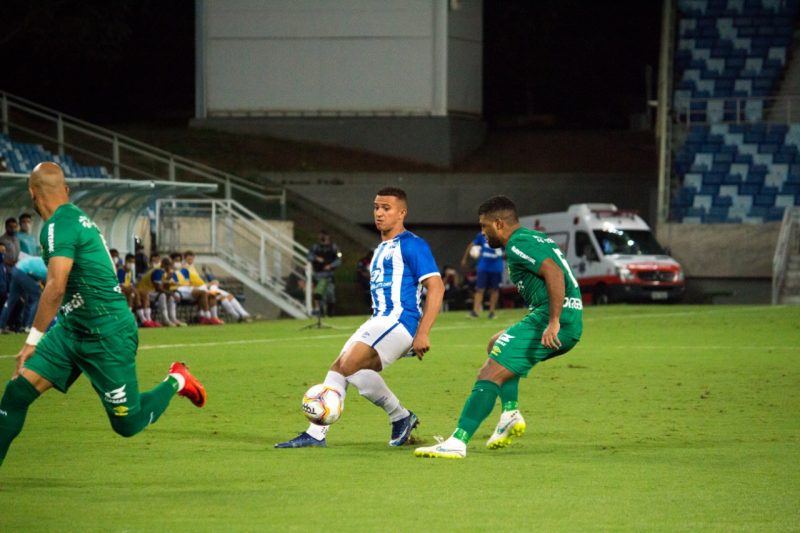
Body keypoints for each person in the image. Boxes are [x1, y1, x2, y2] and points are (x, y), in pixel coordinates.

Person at [0, 162, 206, 468]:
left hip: (107, 333)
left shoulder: (60, 225)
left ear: (31, 192)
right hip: (73, 330)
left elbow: (55, 287)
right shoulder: (73, 219)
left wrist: (32, 341)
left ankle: (177, 379)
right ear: (66, 191)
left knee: (127, 423)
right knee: (16, 394)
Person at [414, 195, 583, 459]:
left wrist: (553, 321)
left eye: (484, 227)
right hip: (557, 315)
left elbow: (554, 273)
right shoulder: (533, 238)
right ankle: (510, 414)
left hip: (554, 318)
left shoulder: (517, 244)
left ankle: (458, 441)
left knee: (489, 373)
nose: (482, 233)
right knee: (496, 343)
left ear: (499, 223)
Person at [276, 187, 445, 449]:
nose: (379, 213)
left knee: (349, 364)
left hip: (400, 321)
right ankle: (317, 434)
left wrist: (423, 333)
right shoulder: (379, 250)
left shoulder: (412, 244)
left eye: (386, 208)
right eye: (376, 207)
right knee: (339, 368)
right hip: (379, 321)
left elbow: (436, 287)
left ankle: (398, 416)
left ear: (402, 212)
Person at [461, 231, 504, 319]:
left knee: (495, 290)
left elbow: (508, 247)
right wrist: (465, 258)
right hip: (483, 266)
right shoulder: (482, 235)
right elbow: (471, 245)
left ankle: (492, 312)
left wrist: (502, 251)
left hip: (496, 266)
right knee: (479, 289)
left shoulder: (501, 235)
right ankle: (475, 312)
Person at [0, 255, 47, 334]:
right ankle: (29, 326)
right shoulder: (52, 270)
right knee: (37, 297)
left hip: (17, 268)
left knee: (11, 300)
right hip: (22, 271)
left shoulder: (49, 263)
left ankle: (1, 326)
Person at [307, 230, 341, 316]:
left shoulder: (333, 248)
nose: (322, 239)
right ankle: (321, 313)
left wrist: (331, 266)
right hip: (319, 274)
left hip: (329, 275)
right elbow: (309, 256)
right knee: (320, 295)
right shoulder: (315, 247)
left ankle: (330, 313)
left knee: (331, 296)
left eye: (324, 237)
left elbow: (339, 259)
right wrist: (316, 258)